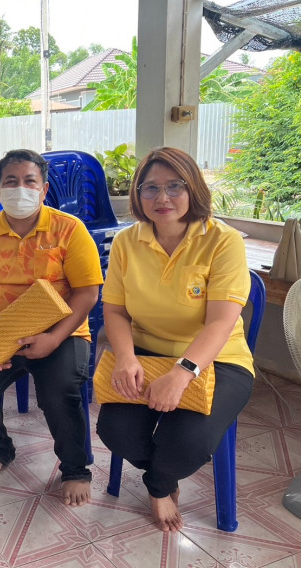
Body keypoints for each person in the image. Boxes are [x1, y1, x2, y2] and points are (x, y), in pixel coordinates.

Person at [96, 147, 253, 532]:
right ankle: (163, 476)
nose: (162, 198)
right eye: (150, 188)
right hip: (145, 352)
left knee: (187, 442)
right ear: (138, 194)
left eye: (174, 186)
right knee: (114, 431)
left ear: (193, 188)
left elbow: (220, 323)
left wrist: (182, 373)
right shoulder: (126, 242)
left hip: (218, 359)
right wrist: (125, 357)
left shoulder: (223, 241)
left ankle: (159, 485)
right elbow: (115, 311)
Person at [0, 149, 103, 506]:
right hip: (3, 334)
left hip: (62, 332)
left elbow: (87, 293)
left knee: (59, 389)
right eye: (11, 181)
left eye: (29, 181)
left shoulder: (69, 229)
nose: (20, 189)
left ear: (44, 188)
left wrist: (53, 338)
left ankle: (75, 468)